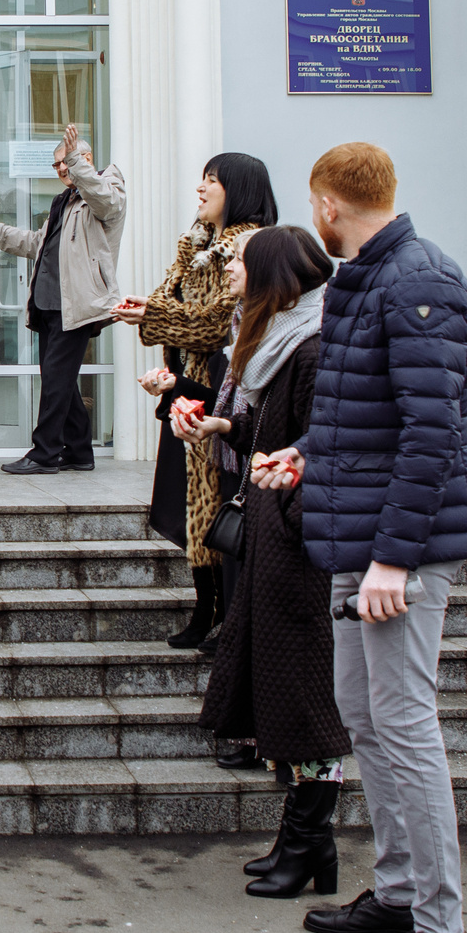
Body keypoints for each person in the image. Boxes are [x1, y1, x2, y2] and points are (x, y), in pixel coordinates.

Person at [253, 142, 467, 933]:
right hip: (364, 539)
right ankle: (398, 892)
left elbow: (432, 432)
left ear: (327, 204)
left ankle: (442, 928)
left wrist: (393, 556)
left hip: (399, 549)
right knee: (365, 715)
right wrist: (305, 454)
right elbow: (366, 414)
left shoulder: (418, 281)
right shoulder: (367, 279)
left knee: (404, 723)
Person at [173, 227, 348, 897]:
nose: (230, 270)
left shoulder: (313, 346)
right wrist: (222, 426)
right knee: (285, 695)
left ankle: (309, 841)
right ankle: (302, 840)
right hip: (276, 540)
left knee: (306, 702)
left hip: (299, 546)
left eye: (241, 262)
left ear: (273, 271)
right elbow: (274, 430)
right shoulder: (282, 340)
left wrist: (291, 518)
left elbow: (319, 447)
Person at [113, 154, 277, 649]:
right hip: (187, 384)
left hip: (222, 387)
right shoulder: (195, 243)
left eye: (212, 180)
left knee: (216, 497)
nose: (201, 189)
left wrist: (154, 314)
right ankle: (205, 610)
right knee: (193, 501)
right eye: (202, 179)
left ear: (239, 189)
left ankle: (226, 615)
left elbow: (213, 324)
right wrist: (150, 310)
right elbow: (172, 302)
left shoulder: (249, 247)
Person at [0, 123, 126, 475]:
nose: (61, 169)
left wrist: (75, 160)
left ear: (85, 158)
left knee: (56, 380)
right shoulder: (64, 201)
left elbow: (104, 200)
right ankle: (79, 451)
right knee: (59, 378)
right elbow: (37, 243)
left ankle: (44, 453)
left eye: (67, 161)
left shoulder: (107, 189)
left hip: (77, 304)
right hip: (49, 303)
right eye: (57, 164)